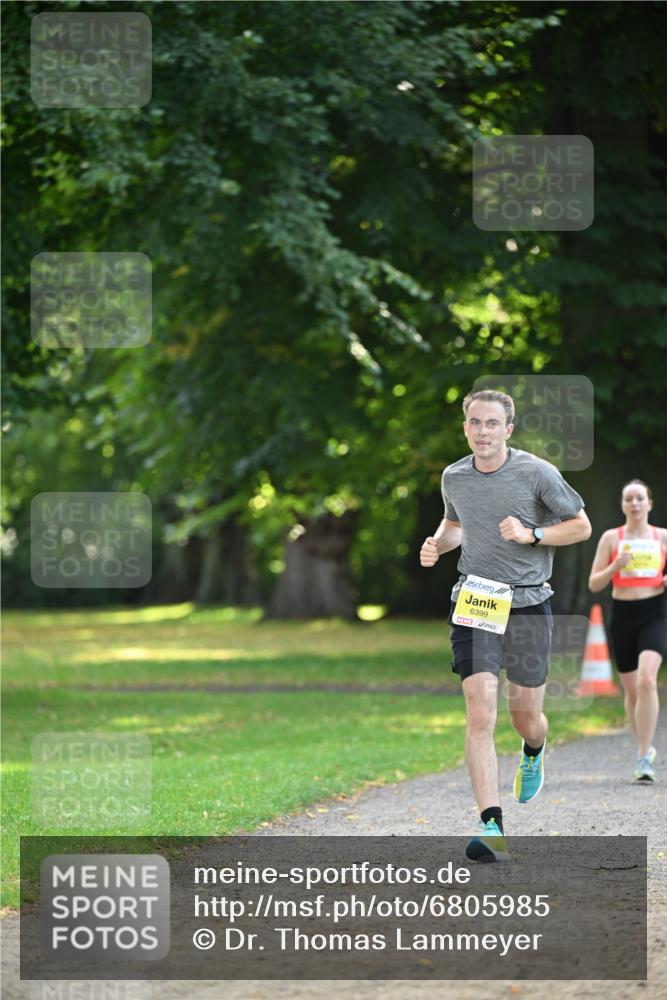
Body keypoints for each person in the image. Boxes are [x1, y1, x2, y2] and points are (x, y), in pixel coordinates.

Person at [420, 389, 591, 861]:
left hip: (529, 603)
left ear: (508, 429)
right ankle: (491, 824)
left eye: (492, 423)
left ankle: (534, 749)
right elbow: (455, 524)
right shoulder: (454, 476)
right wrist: (436, 544)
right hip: (476, 599)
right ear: (466, 427)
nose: (482, 431)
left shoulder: (536, 472)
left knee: (525, 717)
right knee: (480, 713)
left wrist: (533, 534)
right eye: (474, 423)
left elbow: (580, 526)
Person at [588, 479, 667, 782]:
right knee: (632, 690)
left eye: (639, 499)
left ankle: (644, 756)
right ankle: (643, 748)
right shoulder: (612, 538)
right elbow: (594, 583)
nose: (634, 504)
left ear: (649, 503)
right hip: (622, 616)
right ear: (622, 505)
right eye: (628, 499)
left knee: (647, 680)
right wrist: (614, 567)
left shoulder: (662, 538)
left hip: (654, 614)